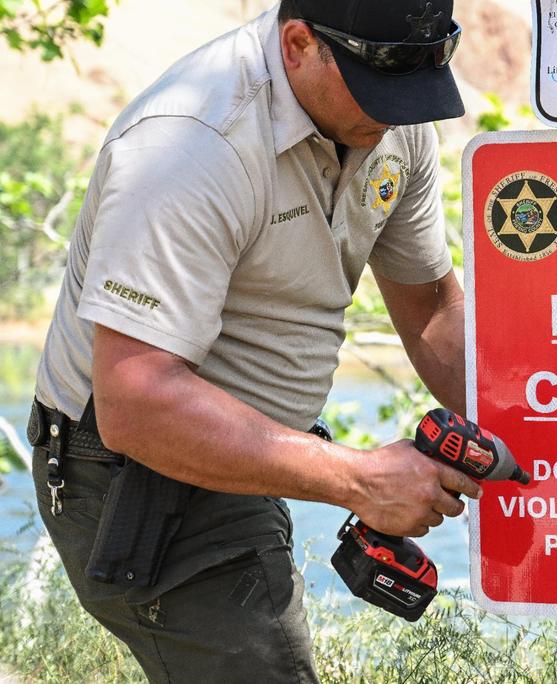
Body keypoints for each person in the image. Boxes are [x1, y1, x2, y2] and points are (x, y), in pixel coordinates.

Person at [28, 1, 477, 681]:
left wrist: (545, 432)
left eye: (416, 86)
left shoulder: (393, 118)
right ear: (298, 43)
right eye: (379, 89)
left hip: (242, 445)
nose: (396, 115)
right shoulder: (190, 144)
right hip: (128, 471)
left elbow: (430, 309)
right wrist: (358, 478)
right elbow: (136, 402)